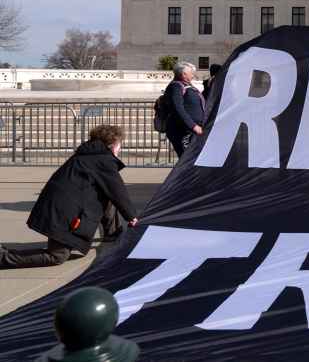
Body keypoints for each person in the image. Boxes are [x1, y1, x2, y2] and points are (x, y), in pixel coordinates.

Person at [0, 125, 139, 269]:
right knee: (57, 256)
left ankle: (112, 232)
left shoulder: (89, 155)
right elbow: (118, 190)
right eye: (119, 145)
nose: (119, 149)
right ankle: (3, 258)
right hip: (63, 212)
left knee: (104, 192)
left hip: (58, 206)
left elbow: (110, 192)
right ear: (112, 145)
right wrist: (132, 217)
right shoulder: (102, 160)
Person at [164, 61, 207, 158]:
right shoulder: (176, 86)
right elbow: (178, 108)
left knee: (191, 161)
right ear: (184, 74)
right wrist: (193, 126)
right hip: (183, 131)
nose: (193, 75)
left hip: (191, 131)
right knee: (187, 161)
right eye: (191, 73)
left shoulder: (186, 86)